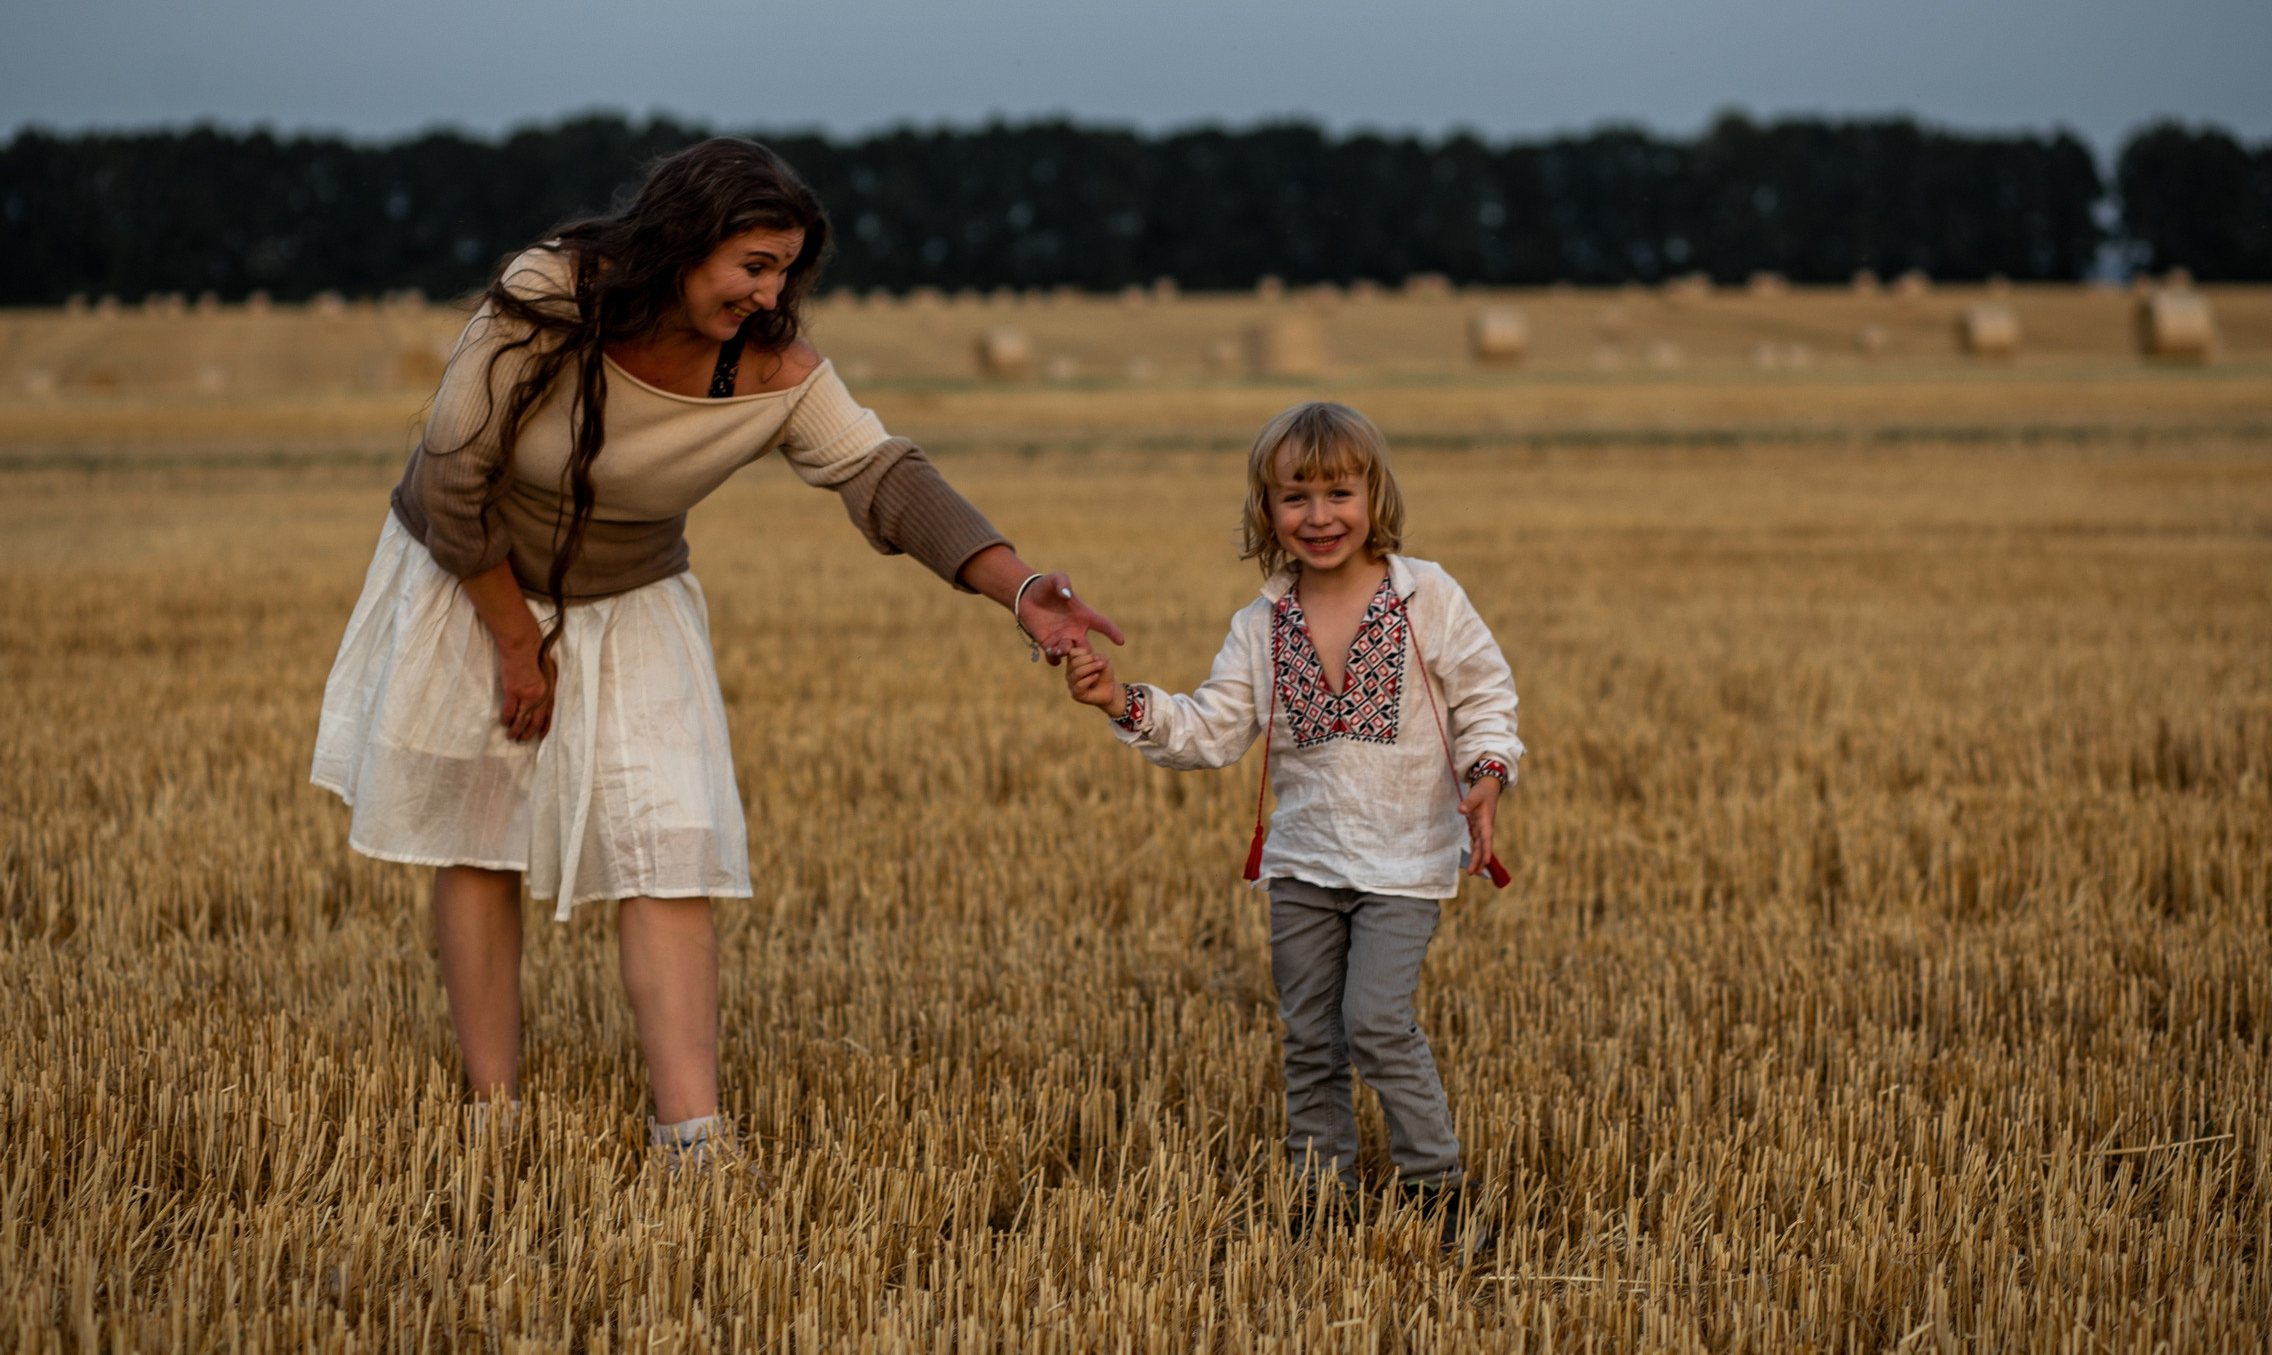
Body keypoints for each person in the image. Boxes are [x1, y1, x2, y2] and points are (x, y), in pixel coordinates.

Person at [312, 137, 1120, 1164]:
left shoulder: (773, 369)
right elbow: (450, 480)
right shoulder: (547, 294)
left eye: (786, 269)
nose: (770, 291)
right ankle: (493, 1112)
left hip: (634, 594)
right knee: (480, 835)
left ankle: (690, 1133)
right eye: (753, 264)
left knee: (672, 843)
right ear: (683, 240)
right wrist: (516, 642)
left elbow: (884, 476)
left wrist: (1018, 586)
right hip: (474, 579)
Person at [1062, 401, 1518, 1242]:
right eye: (1295, 497)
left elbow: (1488, 699)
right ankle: (1319, 1197)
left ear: (1374, 496)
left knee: (1377, 1022)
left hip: (1404, 862)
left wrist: (1488, 774)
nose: (1319, 516)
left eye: (1339, 493)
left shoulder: (1431, 598)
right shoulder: (1260, 625)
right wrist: (1122, 701)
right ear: (1266, 511)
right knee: (1311, 1036)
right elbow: (1210, 731)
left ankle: (1438, 1188)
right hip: (1305, 864)